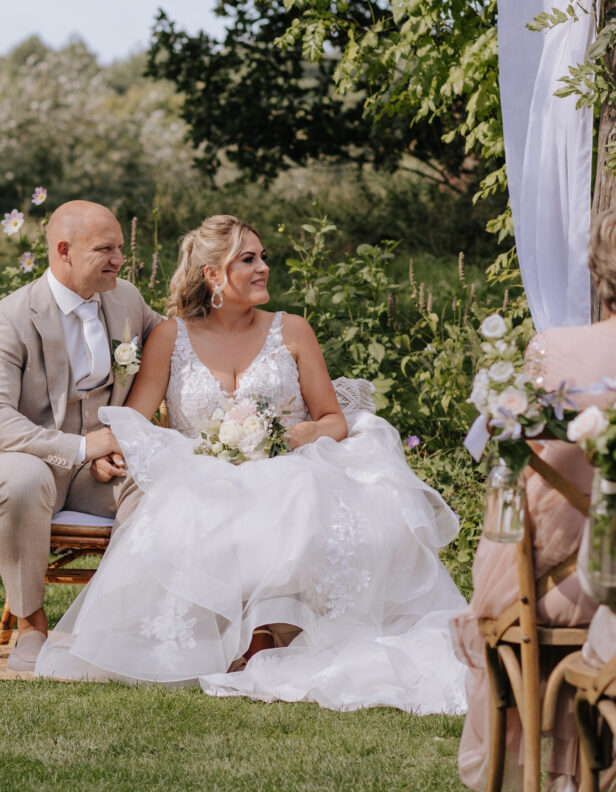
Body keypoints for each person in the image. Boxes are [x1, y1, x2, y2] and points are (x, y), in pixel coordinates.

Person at [35, 214, 468, 713]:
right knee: (204, 507)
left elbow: (334, 420)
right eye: (249, 259)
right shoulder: (169, 338)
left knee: (298, 495)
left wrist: (306, 432)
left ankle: (274, 635)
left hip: (291, 465)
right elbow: (137, 421)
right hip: (204, 471)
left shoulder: (293, 331)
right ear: (213, 275)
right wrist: (111, 454)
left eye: (262, 257)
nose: (263, 267)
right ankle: (233, 639)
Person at [0, 200, 162, 672]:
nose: (120, 260)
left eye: (121, 247)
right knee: (22, 480)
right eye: (106, 249)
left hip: (93, 469)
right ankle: (31, 628)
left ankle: (121, 624)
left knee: (156, 479)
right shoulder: (8, 318)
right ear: (64, 251)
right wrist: (82, 447)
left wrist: (118, 439)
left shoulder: (126, 300)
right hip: (19, 457)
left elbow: (171, 345)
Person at [451, 208, 616, 791]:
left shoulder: (557, 351)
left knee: (508, 563)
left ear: (599, 264)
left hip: (561, 590)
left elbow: (517, 487)